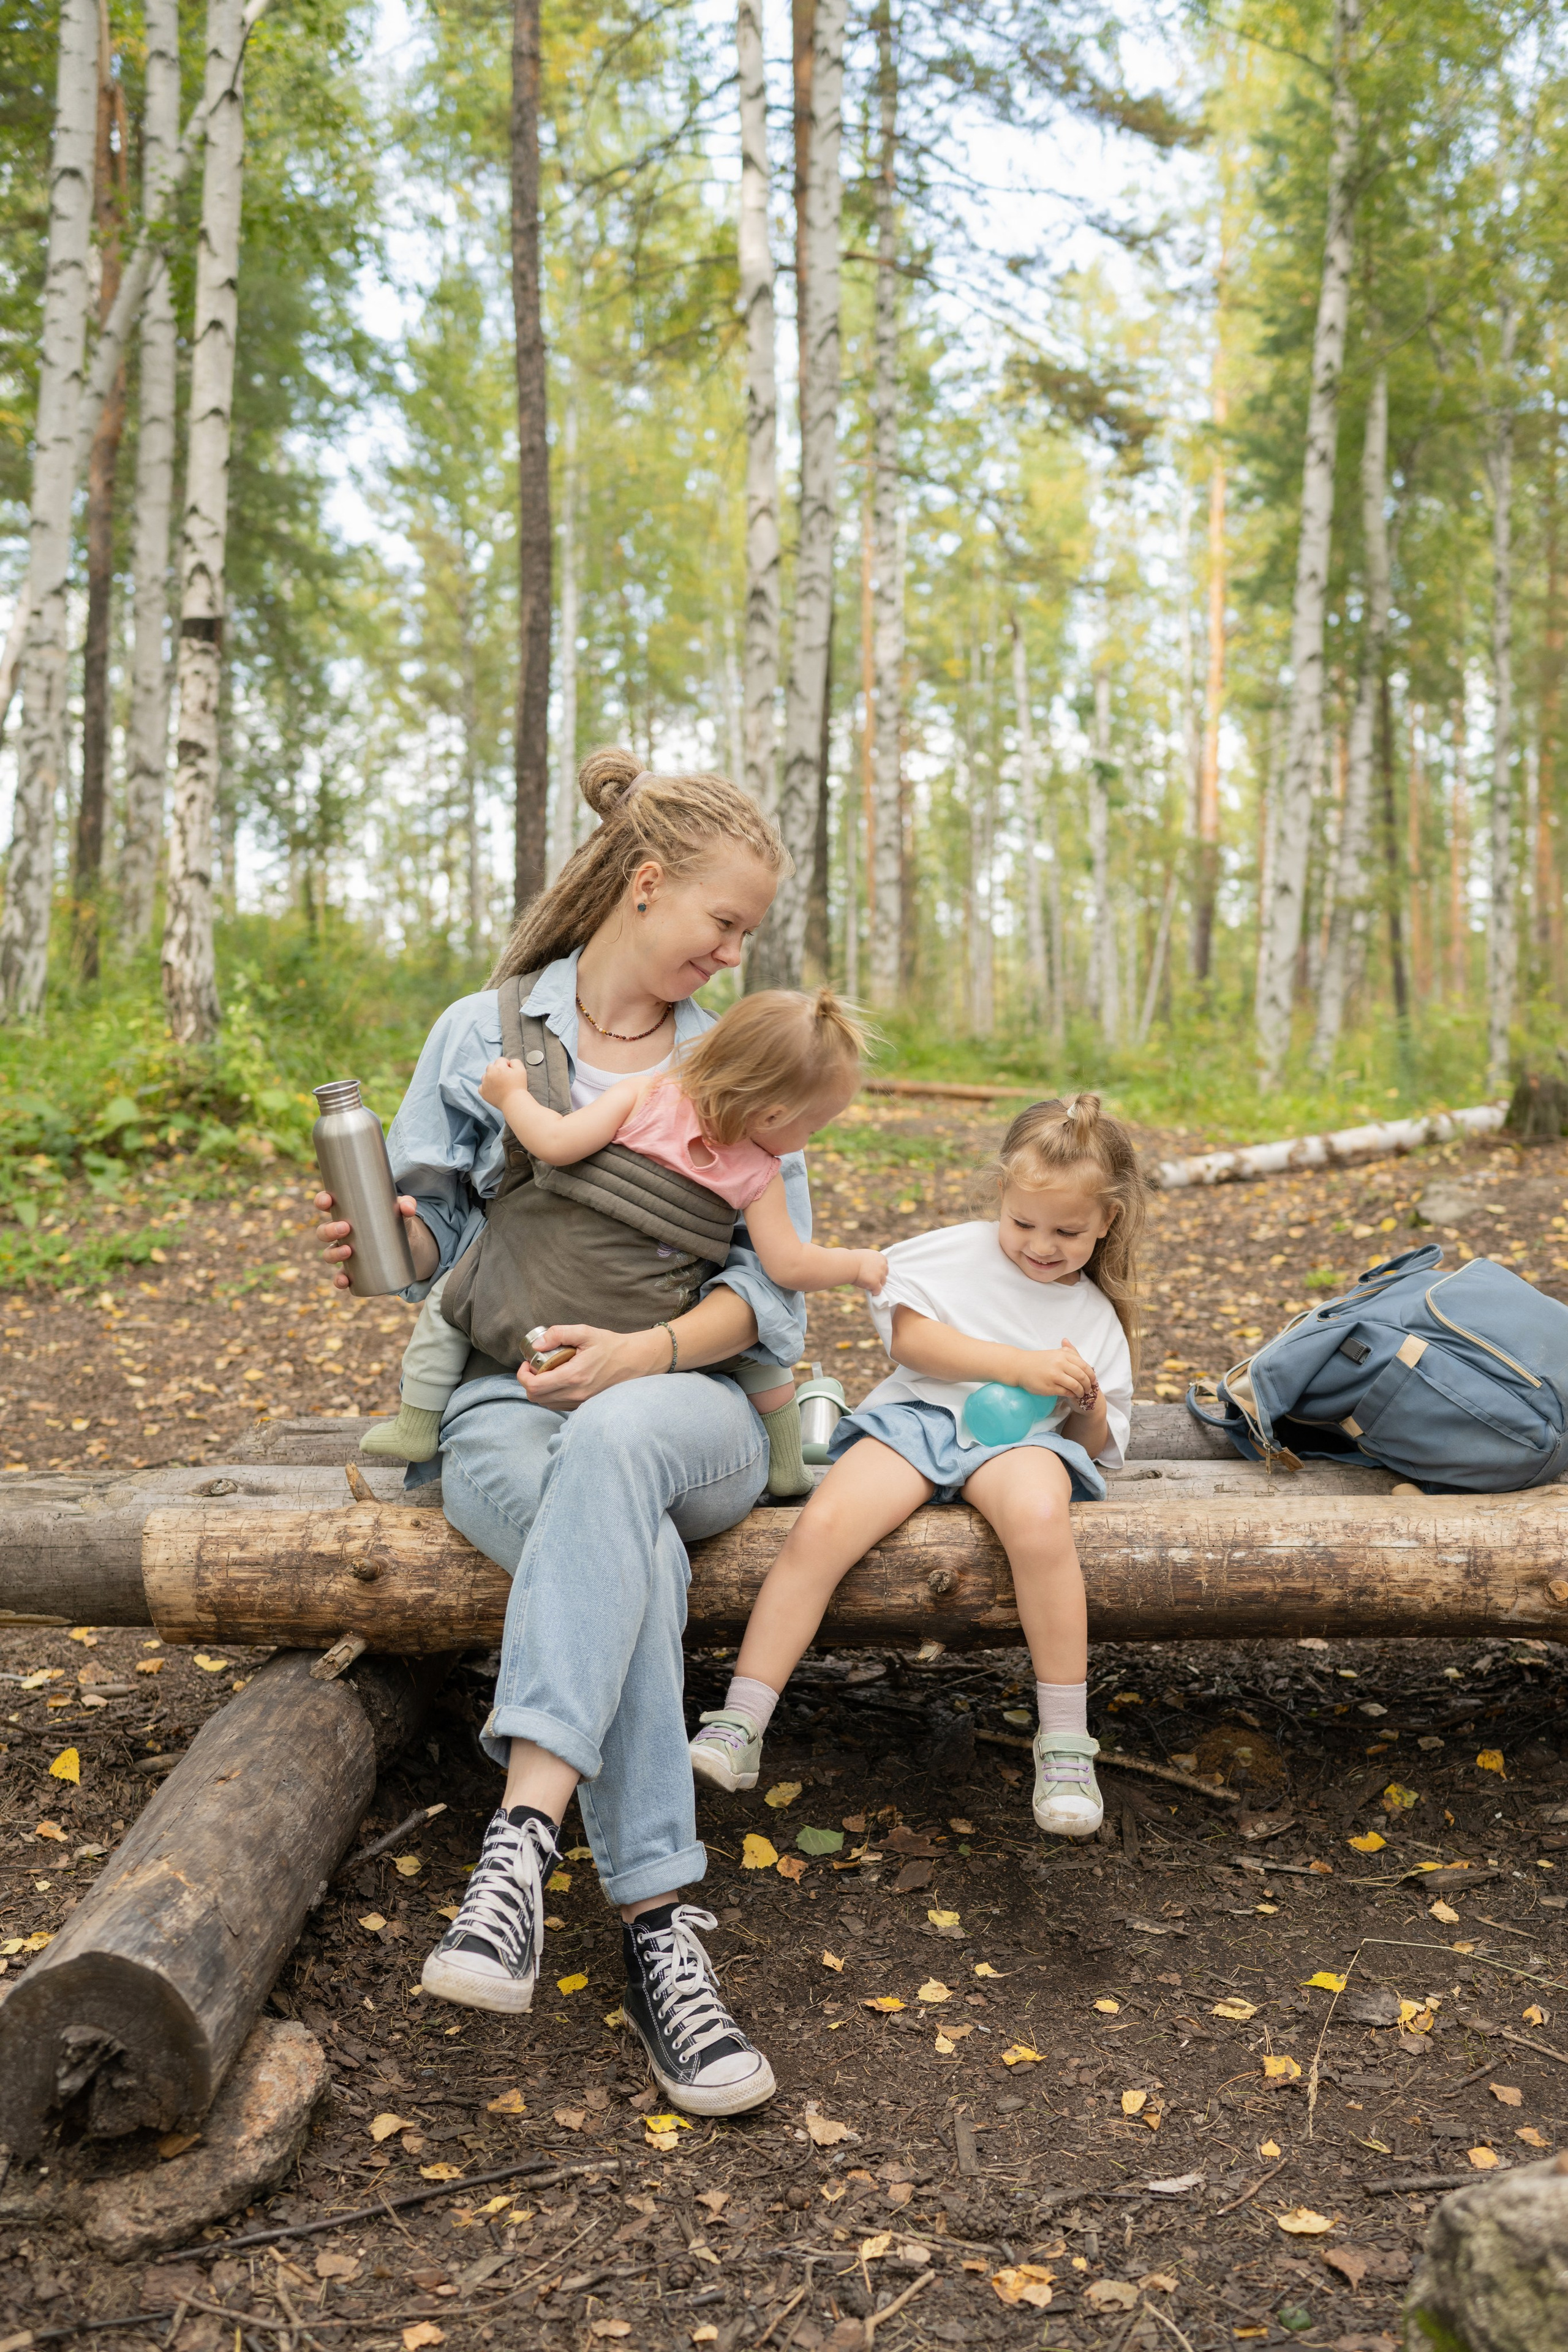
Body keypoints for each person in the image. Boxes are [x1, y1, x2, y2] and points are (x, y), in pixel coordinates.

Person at [314, 748, 816, 2117]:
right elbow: (439, 1247)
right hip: (506, 1403)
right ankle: (659, 1931)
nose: (732, 953)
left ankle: (516, 1852)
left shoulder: (736, 1057)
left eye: (745, 935)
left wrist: (641, 1355)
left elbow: (773, 1298)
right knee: (626, 1552)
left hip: (690, 1411)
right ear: (646, 886)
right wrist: (394, 1240)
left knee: (618, 1448)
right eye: (723, 922)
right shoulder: (478, 1034)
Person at [688, 1095, 1144, 1840]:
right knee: (824, 1525)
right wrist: (1019, 1365)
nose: (1040, 1245)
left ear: (1106, 1221)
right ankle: (741, 1719)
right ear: (1001, 1195)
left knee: (1039, 1519)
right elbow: (911, 1343)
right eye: (1023, 1222)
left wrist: (1085, 1401)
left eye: (1066, 1232)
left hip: (1022, 1444)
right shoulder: (957, 1252)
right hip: (920, 1416)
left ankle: (1065, 1742)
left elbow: (1093, 1443)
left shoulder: (1093, 1315)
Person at [361, 988, 887, 1480]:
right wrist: (856, 1264)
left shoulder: (645, 1097)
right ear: (772, 1114)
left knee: (455, 1299)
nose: (807, 1141)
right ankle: (787, 1467)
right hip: (656, 1312)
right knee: (760, 1352)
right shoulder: (759, 1174)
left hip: (560, 1280)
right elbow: (788, 1266)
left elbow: (553, 1142)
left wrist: (512, 1095)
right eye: (812, 1129)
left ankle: (417, 1424)